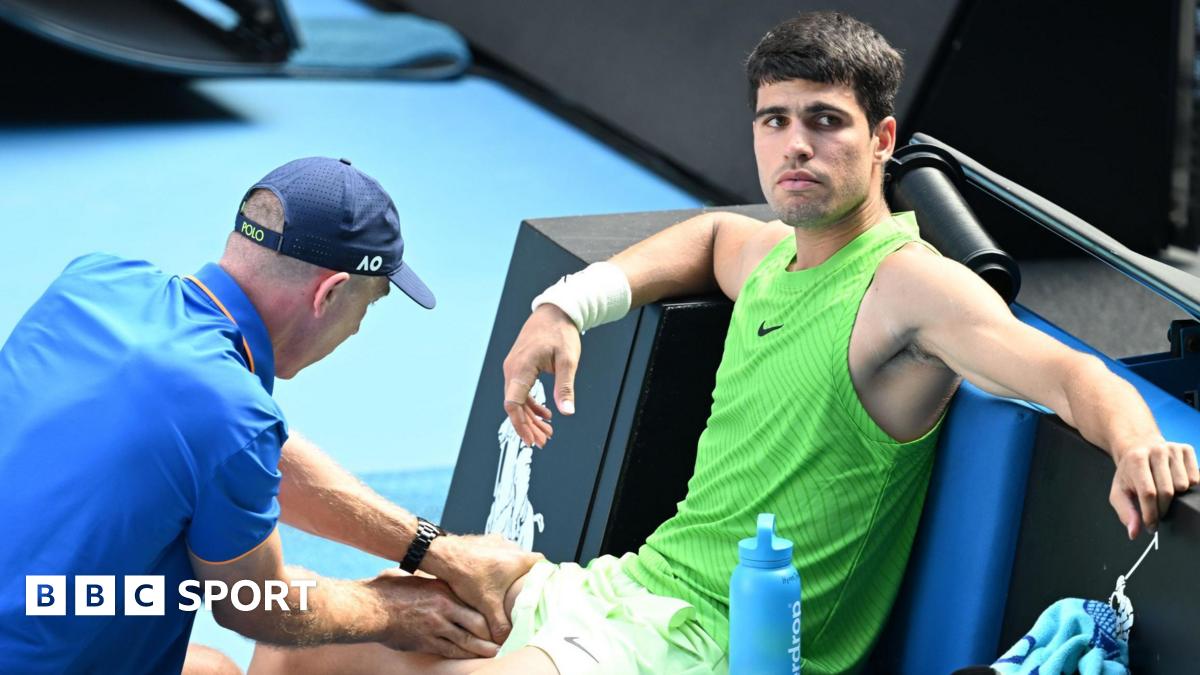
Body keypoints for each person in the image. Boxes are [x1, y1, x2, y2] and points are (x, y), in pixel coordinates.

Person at [249, 12, 1199, 675]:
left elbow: (1071, 372)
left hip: (717, 643)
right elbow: (705, 235)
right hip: (623, 594)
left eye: (826, 123)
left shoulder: (910, 289)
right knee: (291, 649)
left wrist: (1134, 439)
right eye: (774, 121)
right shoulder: (769, 257)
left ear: (882, 140)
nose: (794, 146)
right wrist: (566, 305)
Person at [0, 157, 540, 674]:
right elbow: (251, 604)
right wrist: (395, 611)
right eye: (369, 303)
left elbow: (238, 450)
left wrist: (433, 549)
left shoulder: (96, 280)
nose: (356, 328)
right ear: (330, 293)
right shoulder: (233, 419)